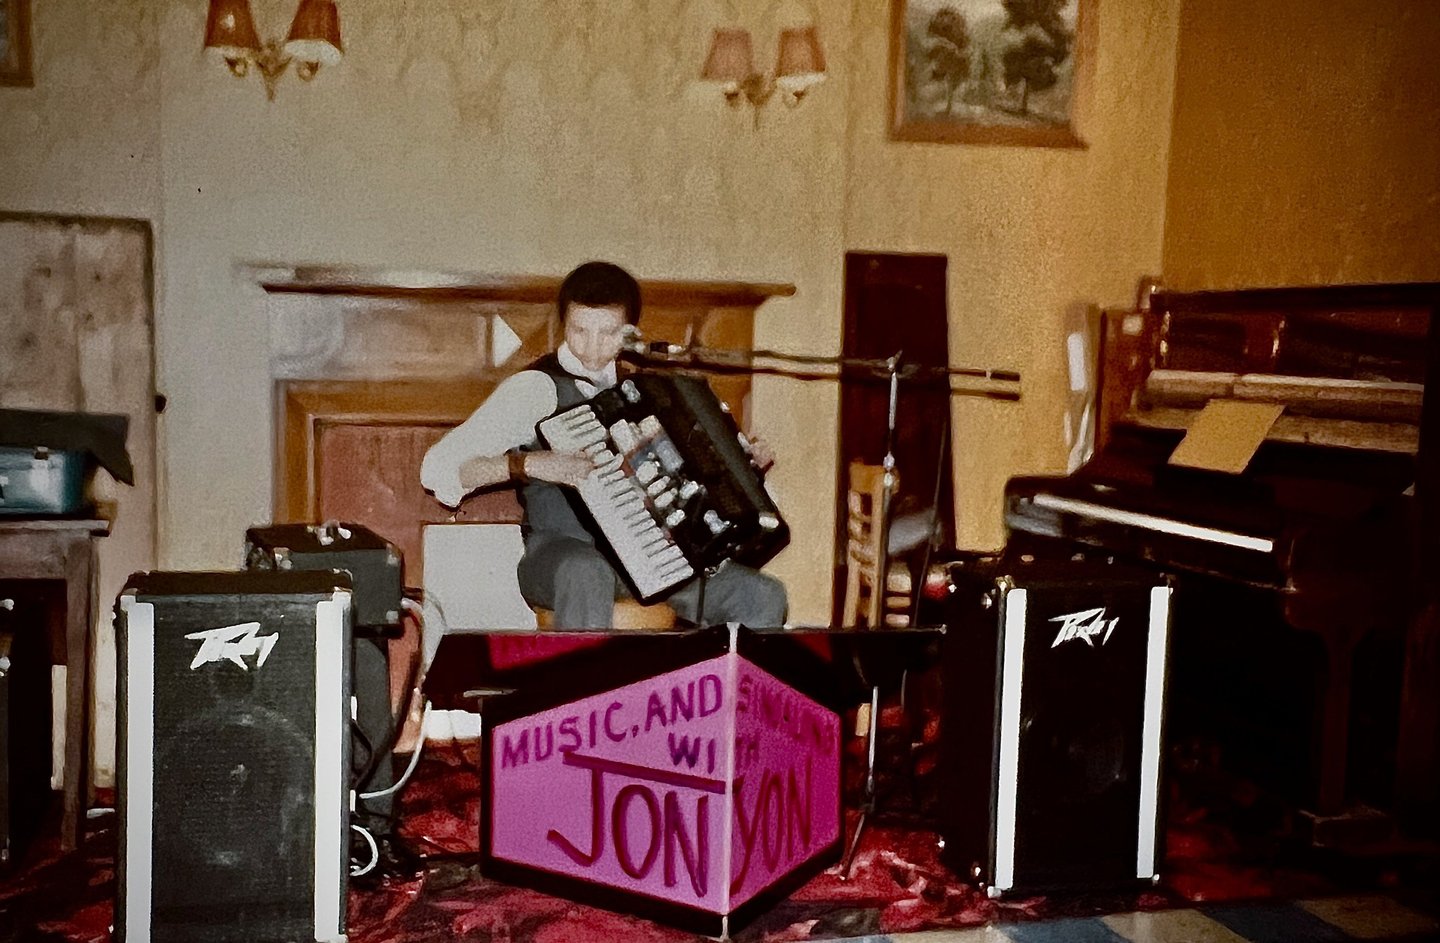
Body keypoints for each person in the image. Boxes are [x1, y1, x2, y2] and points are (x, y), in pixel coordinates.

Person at [421, 260, 787, 629]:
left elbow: (693, 493)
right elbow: (438, 470)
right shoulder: (536, 388)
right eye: (579, 331)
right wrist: (529, 464)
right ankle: (585, 687)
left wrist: (746, 470)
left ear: (630, 332)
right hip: (560, 556)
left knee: (762, 595)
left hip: (649, 561)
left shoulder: (650, 395)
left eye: (608, 333)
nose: (592, 348)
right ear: (563, 324)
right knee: (585, 571)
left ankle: (700, 687)